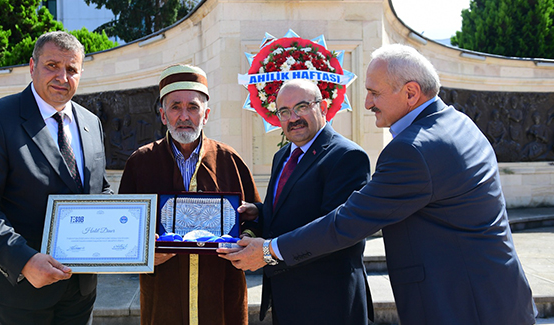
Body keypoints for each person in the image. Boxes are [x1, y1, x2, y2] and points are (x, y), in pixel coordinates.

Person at [219, 44, 536, 325]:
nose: (367, 103)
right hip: (492, 296)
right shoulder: (457, 121)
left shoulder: (412, 150)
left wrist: (270, 251)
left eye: (374, 93)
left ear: (411, 93)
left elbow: (348, 222)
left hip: (462, 305)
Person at [0, 31, 112, 324]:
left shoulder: (91, 123)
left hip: (79, 290)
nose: (62, 77)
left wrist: (132, 231)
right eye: (52, 65)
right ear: (32, 66)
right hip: (17, 291)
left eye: (71, 69)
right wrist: (24, 260)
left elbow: (99, 191)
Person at [118, 64, 260, 325]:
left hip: (220, 289)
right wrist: (146, 252)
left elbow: (254, 218)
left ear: (205, 115)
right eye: (175, 107)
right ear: (163, 115)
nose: (184, 116)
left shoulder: (229, 160)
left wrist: (244, 242)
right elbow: (123, 228)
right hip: (164, 292)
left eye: (193, 107)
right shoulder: (140, 162)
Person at [235, 79, 372, 324]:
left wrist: (267, 252)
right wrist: (258, 212)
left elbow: (336, 231)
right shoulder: (283, 156)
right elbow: (292, 211)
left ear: (324, 107)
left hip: (329, 303)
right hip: (286, 297)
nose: (293, 117)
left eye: (302, 107)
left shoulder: (347, 156)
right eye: (284, 112)